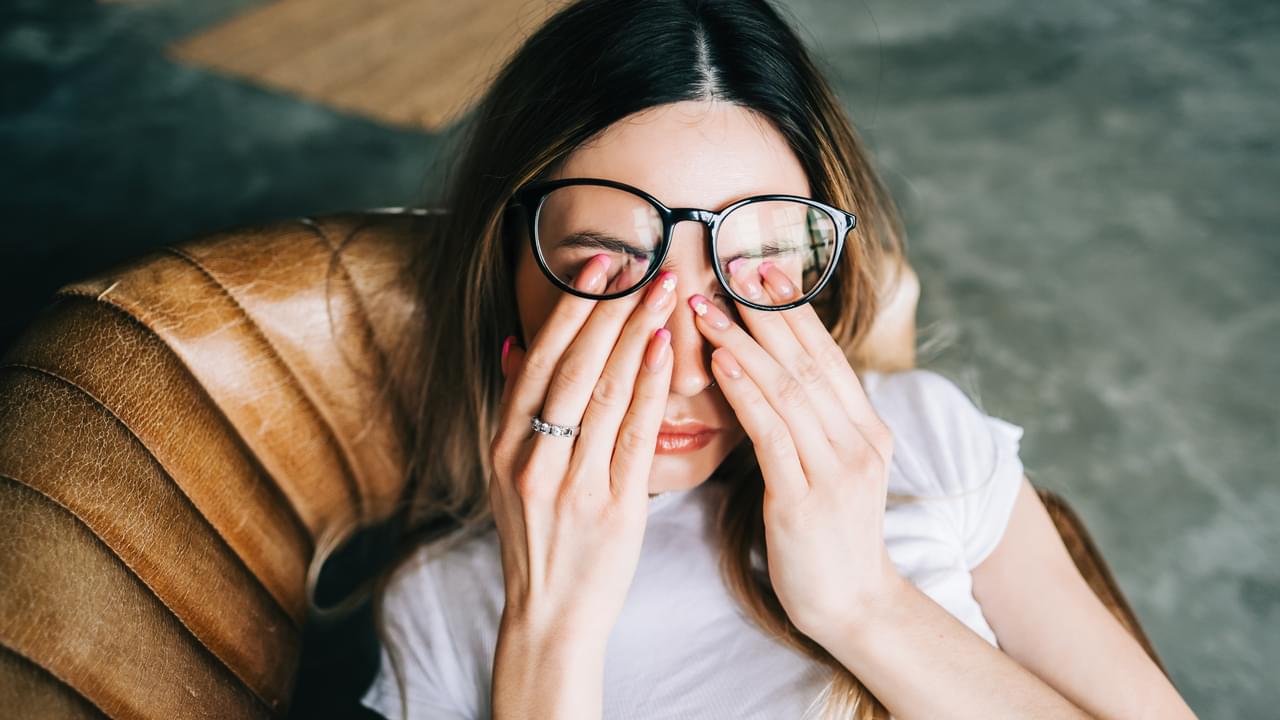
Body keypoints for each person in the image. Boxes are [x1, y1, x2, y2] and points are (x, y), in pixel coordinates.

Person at [358, 1, 1197, 718]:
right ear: (506, 272)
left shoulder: (922, 437)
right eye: (608, 273)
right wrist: (550, 633)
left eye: (750, 271)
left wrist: (864, 603)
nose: (687, 370)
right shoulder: (443, 604)